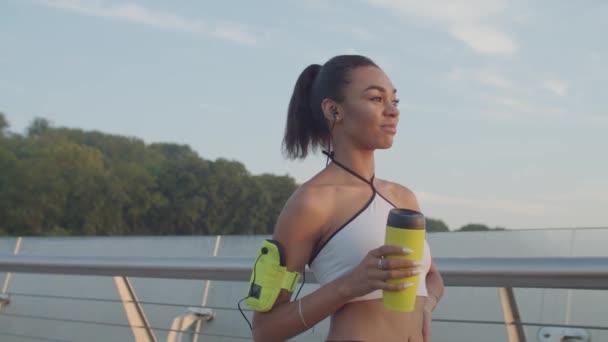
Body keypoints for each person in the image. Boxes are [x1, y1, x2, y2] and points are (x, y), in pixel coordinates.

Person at [252, 55, 444, 342]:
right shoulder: (311, 203)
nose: (393, 111)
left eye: (395, 100)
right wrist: (349, 285)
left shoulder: (403, 198)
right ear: (333, 110)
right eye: (377, 99)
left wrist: (425, 307)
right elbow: (265, 330)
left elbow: (430, 277)